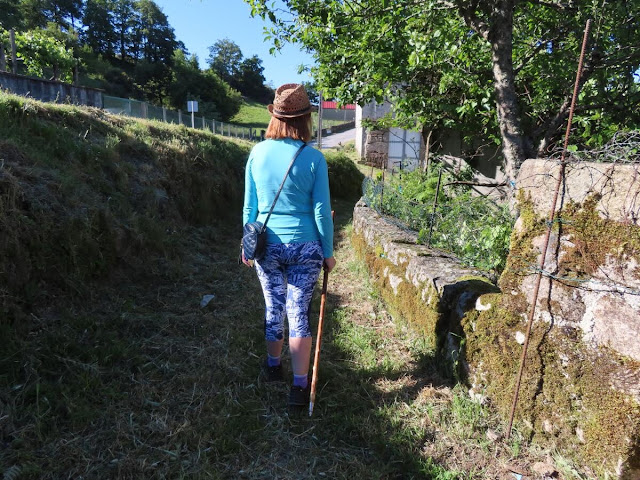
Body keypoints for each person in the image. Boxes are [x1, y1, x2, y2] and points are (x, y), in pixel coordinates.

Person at [241, 83, 336, 407]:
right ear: (305, 119)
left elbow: (250, 207)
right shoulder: (314, 158)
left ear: (275, 116)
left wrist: (246, 244)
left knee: (274, 306)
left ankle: (272, 367)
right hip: (306, 246)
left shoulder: (257, 153)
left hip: (267, 244)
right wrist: (328, 252)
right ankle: (299, 386)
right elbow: (321, 211)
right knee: (298, 312)